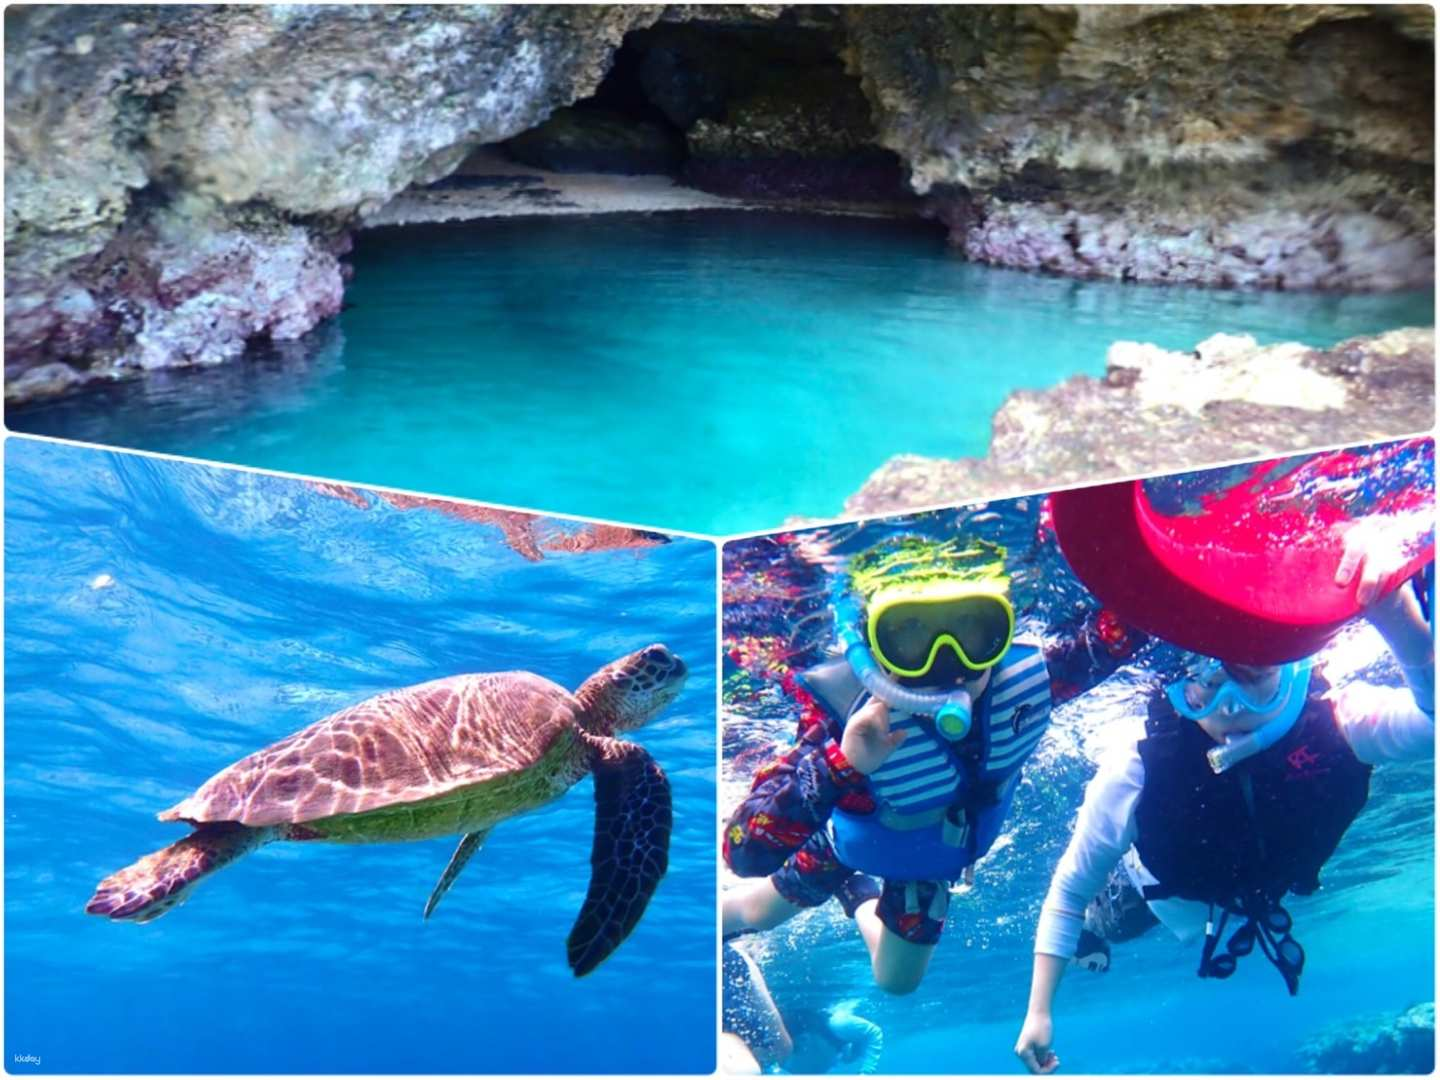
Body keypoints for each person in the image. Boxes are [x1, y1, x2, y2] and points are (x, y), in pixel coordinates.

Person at [1014, 546, 1435, 1074]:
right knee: (1112, 922)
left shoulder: (1345, 722)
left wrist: (1403, 627)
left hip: (1255, 881)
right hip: (1162, 890)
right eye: (1206, 685)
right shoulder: (1135, 768)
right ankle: (1096, 937)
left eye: (1250, 674)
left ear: (1291, 667)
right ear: (1176, 686)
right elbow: (1069, 891)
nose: (1229, 707)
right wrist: (1039, 1012)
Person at [724, 535, 1143, 995]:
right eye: (910, 636)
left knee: (897, 982)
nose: (948, 663)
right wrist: (842, 763)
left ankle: (859, 895)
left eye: (972, 630)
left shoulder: (1037, 680)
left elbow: (1136, 619)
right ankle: (714, 928)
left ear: (1001, 634)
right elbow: (744, 852)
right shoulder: (842, 718)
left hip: (923, 868)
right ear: (872, 649)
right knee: (758, 912)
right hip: (844, 843)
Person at [722, 933, 885, 1075]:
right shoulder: (836, 1023)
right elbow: (874, 1033)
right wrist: (866, 1072)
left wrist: (854, 1055)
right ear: (805, 1041)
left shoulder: (787, 1045)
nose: (837, 1063)